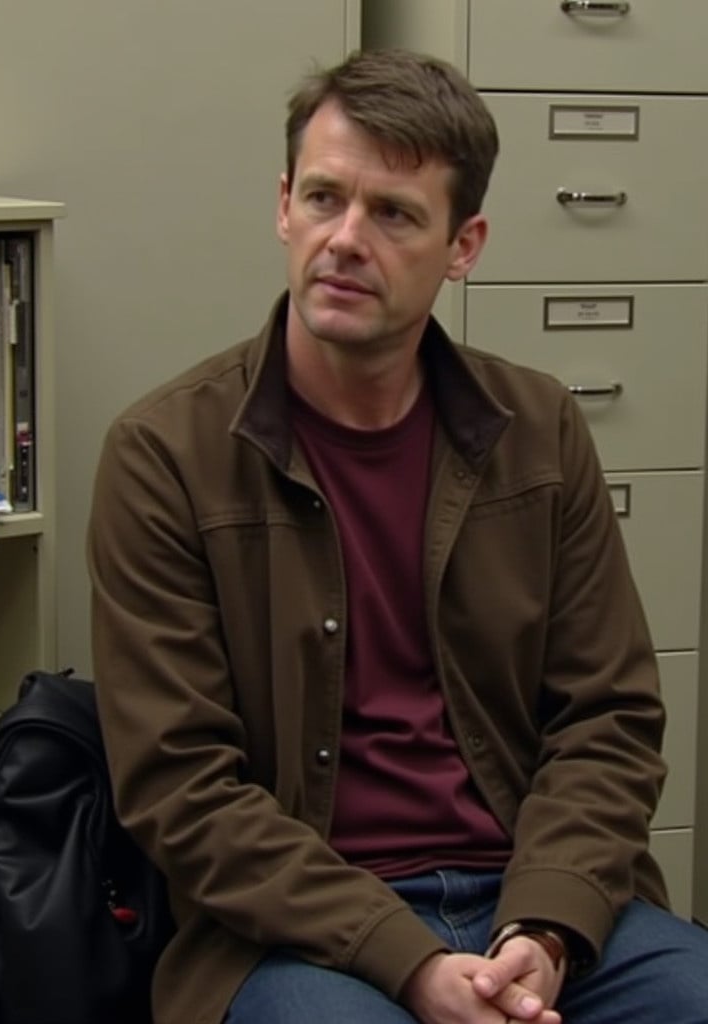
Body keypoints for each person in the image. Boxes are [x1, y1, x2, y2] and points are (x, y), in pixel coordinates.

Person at [87, 49, 708, 1024]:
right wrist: (410, 960)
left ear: (465, 246)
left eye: (394, 214)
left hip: (531, 896)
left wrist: (542, 929)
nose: (345, 238)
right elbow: (182, 788)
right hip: (294, 933)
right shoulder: (165, 453)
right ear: (283, 205)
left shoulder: (539, 428)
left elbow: (609, 720)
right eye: (325, 198)